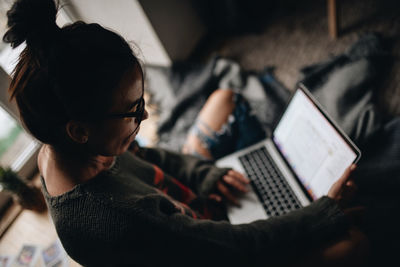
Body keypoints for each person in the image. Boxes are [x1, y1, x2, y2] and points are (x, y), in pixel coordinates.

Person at [4, 0, 369, 266]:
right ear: (80, 130)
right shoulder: (118, 218)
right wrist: (323, 212)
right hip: (211, 244)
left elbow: (149, 157)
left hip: (185, 206)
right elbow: (239, 246)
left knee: (223, 98)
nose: (145, 114)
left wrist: (204, 174)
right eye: (133, 110)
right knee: (354, 243)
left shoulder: (65, 148)